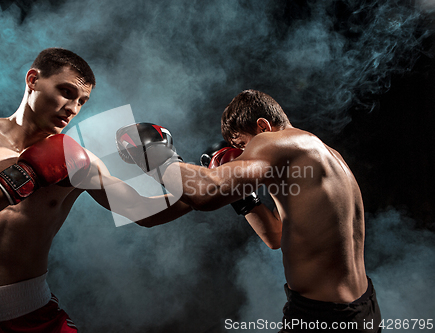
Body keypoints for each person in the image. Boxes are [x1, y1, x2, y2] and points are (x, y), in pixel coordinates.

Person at [0, 47, 191, 331]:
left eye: (82, 101)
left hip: (33, 312)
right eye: (67, 92)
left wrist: (199, 177)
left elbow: (144, 210)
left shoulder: (76, 161)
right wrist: (23, 177)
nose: (73, 109)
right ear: (33, 80)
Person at [117, 89, 382, 332]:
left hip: (323, 316)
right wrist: (243, 198)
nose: (244, 155)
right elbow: (276, 236)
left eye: (243, 146)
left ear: (263, 126)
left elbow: (205, 192)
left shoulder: (277, 142)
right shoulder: (324, 154)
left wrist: (158, 154)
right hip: (362, 308)